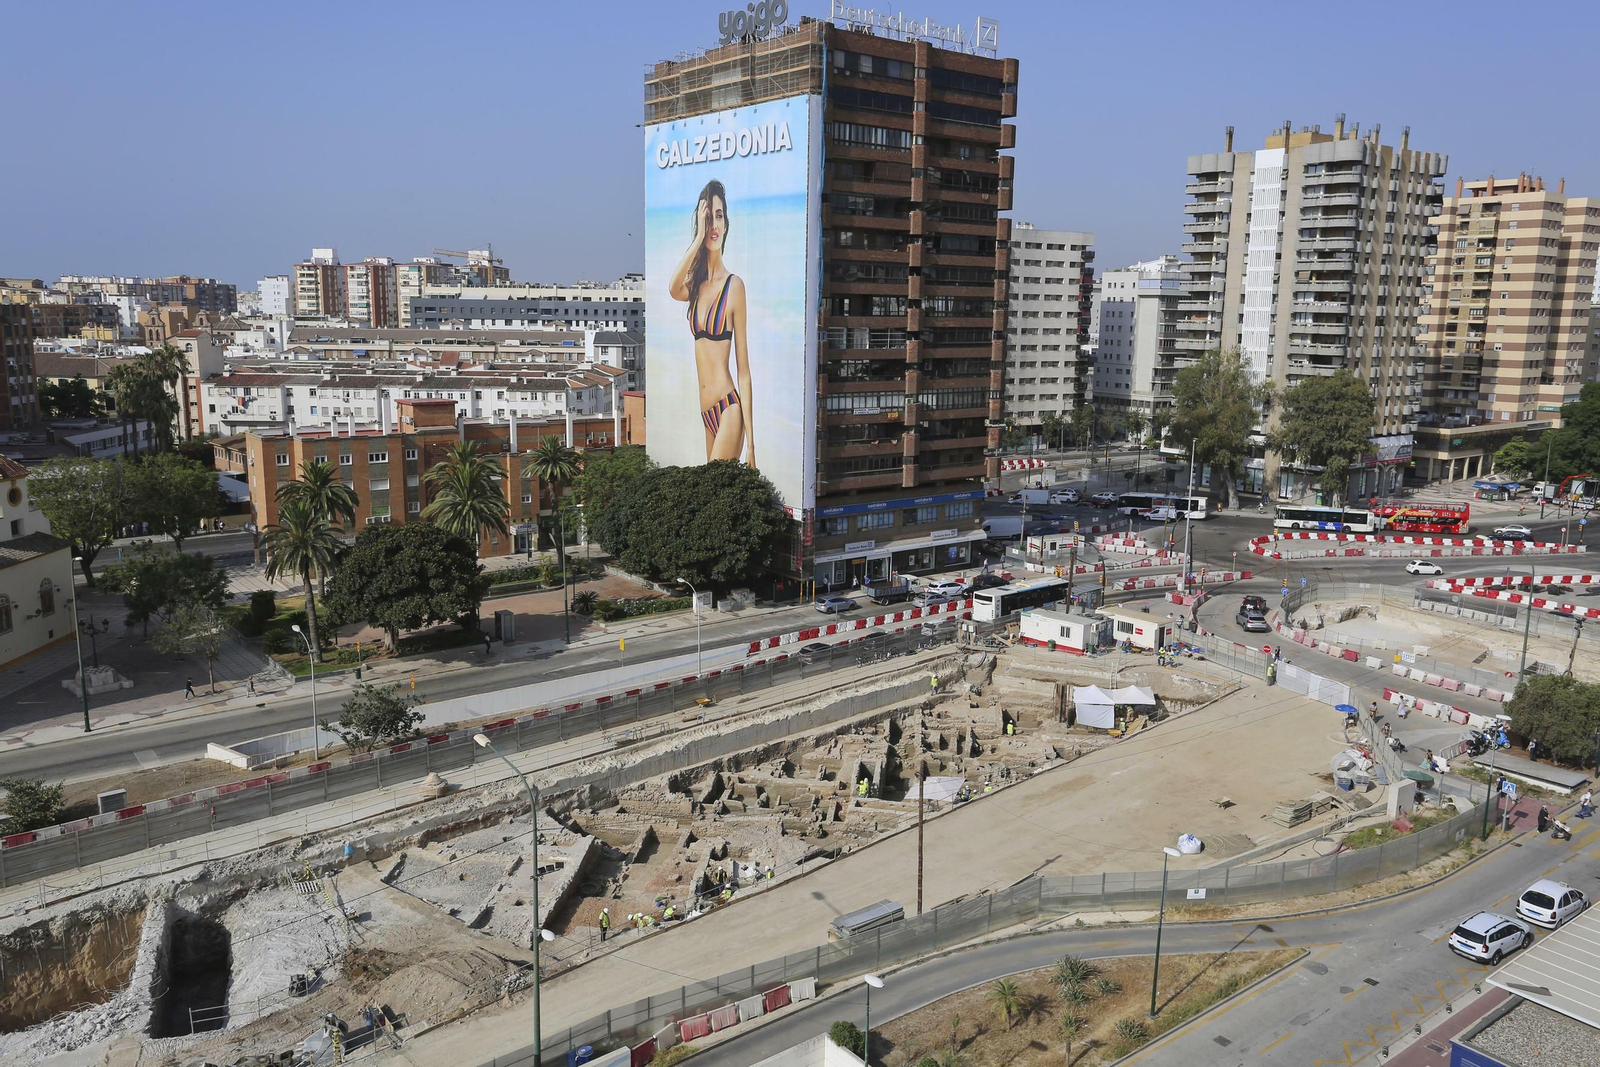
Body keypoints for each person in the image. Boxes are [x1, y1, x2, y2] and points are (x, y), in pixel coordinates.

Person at [669, 178, 755, 467]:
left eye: (719, 216)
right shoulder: (695, 286)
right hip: (706, 413)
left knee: (713, 484)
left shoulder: (734, 286)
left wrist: (752, 445)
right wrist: (697, 239)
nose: (714, 225)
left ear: (726, 224)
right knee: (712, 489)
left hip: (728, 408)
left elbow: (744, 370)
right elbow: (672, 288)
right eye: (708, 218)